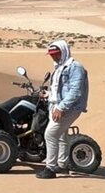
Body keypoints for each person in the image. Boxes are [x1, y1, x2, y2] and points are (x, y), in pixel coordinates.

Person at [36, 40, 89, 179]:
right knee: (61, 135)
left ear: (63, 51)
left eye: (56, 54)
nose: (54, 57)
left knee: (50, 134)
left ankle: (50, 168)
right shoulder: (59, 67)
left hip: (68, 108)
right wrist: (48, 95)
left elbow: (75, 91)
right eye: (51, 54)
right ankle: (62, 165)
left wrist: (61, 107)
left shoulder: (74, 67)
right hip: (56, 105)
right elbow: (59, 90)